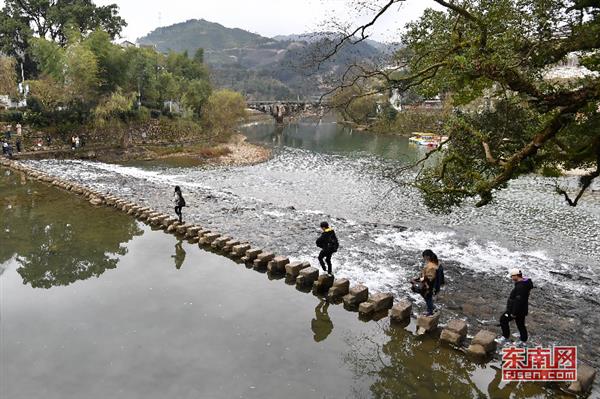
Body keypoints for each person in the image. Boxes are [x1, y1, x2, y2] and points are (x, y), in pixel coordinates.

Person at [496, 268, 534, 346]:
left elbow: (518, 301)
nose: (511, 278)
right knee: (520, 324)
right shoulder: (525, 283)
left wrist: (513, 313)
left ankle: (505, 337)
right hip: (522, 309)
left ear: (516, 276)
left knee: (503, 320)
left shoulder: (520, 287)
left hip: (516, 310)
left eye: (512, 276)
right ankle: (523, 340)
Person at [411, 249, 440, 316]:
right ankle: (432, 308)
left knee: (427, 298)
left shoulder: (431, 266)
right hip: (430, 284)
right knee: (427, 297)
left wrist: (419, 280)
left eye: (424, 256)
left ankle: (430, 312)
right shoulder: (434, 263)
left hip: (429, 285)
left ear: (427, 256)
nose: (423, 258)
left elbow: (429, 278)